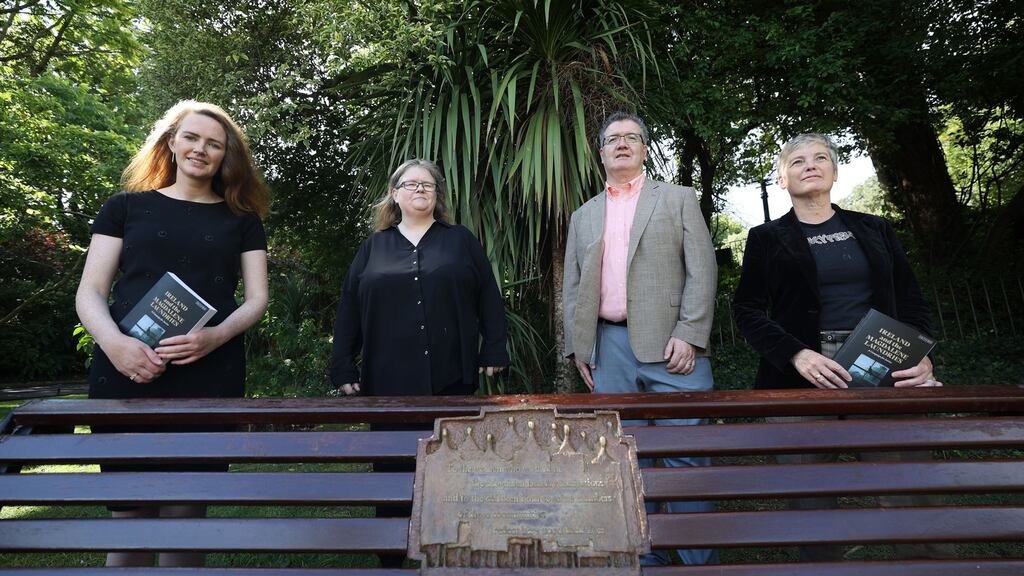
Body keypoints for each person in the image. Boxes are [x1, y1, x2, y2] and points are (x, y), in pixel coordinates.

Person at [732, 132, 951, 561]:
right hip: (801, 380)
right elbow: (747, 310)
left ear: (834, 170)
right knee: (810, 504)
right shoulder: (765, 238)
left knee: (909, 493)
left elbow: (911, 300)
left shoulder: (874, 228)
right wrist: (796, 353)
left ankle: (929, 566)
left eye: (819, 158)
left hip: (883, 372)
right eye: (797, 161)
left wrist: (921, 356)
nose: (809, 165)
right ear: (781, 178)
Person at [75, 100, 270, 567]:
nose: (200, 149)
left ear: (226, 157)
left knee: (186, 516)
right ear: (170, 142)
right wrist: (116, 345)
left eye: (214, 144)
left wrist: (215, 337)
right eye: (192, 137)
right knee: (130, 515)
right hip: (126, 372)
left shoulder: (242, 220)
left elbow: (258, 300)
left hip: (208, 374)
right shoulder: (124, 207)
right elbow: (90, 292)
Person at [329, 158, 508, 567]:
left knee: (453, 475)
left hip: (452, 377)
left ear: (437, 194)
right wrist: (342, 365)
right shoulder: (373, 247)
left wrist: (494, 349)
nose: (420, 190)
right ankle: (391, 556)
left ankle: (452, 557)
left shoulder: (460, 240)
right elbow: (349, 309)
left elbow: (488, 297)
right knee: (392, 475)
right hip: (387, 381)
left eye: (427, 185)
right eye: (410, 184)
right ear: (395, 194)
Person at [562, 111, 718, 566]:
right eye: (614, 139)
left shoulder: (678, 199)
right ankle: (643, 558)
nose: (623, 144)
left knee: (686, 457)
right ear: (602, 152)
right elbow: (574, 288)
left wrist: (690, 332)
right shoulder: (584, 215)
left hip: (673, 348)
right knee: (626, 461)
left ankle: (692, 560)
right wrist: (580, 348)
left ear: (646, 149)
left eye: (632, 137)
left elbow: (702, 269)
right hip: (608, 350)